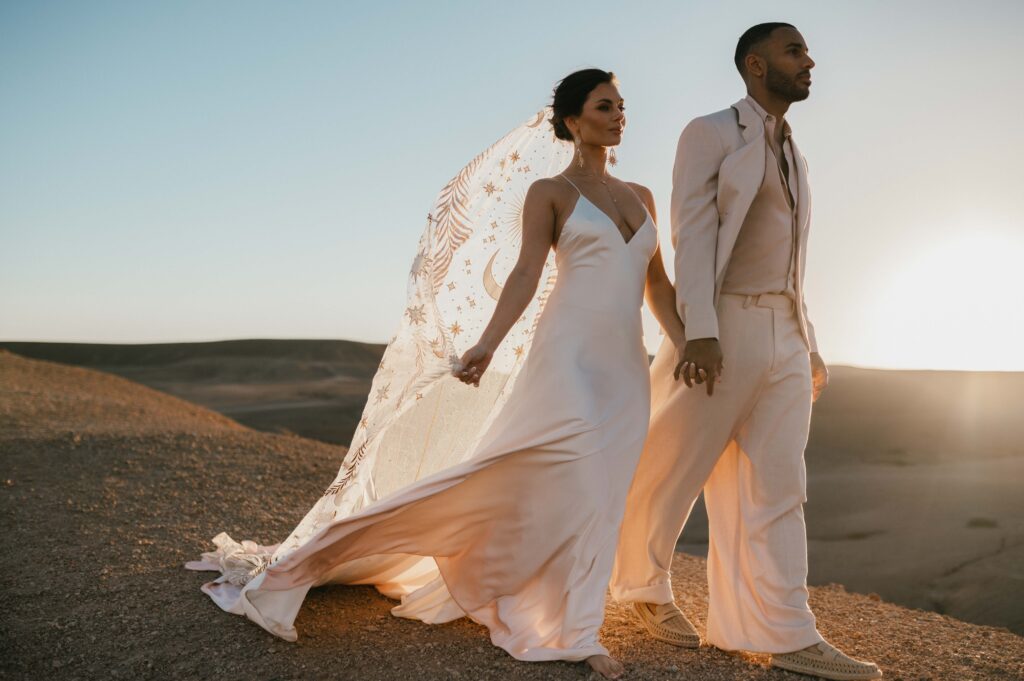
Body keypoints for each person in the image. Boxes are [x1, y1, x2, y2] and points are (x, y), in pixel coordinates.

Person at [187, 69, 684, 680]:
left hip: (625, 366)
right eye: (605, 106)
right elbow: (526, 275)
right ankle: (573, 631)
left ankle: (566, 610)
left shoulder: (642, 195)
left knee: (603, 491)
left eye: (622, 105)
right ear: (573, 122)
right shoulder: (550, 193)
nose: (619, 115)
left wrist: (688, 343)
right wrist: (487, 343)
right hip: (569, 358)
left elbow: (658, 283)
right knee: (535, 468)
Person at [610, 23, 882, 680]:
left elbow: (792, 259)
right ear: (756, 66)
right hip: (720, 328)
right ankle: (641, 587)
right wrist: (698, 327)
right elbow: (693, 232)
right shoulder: (709, 132)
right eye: (795, 51)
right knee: (669, 467)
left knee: (779, 484)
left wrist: (808, 342)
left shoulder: (798, 152)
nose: (809, 60)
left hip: (785, 336)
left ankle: (779, 631)